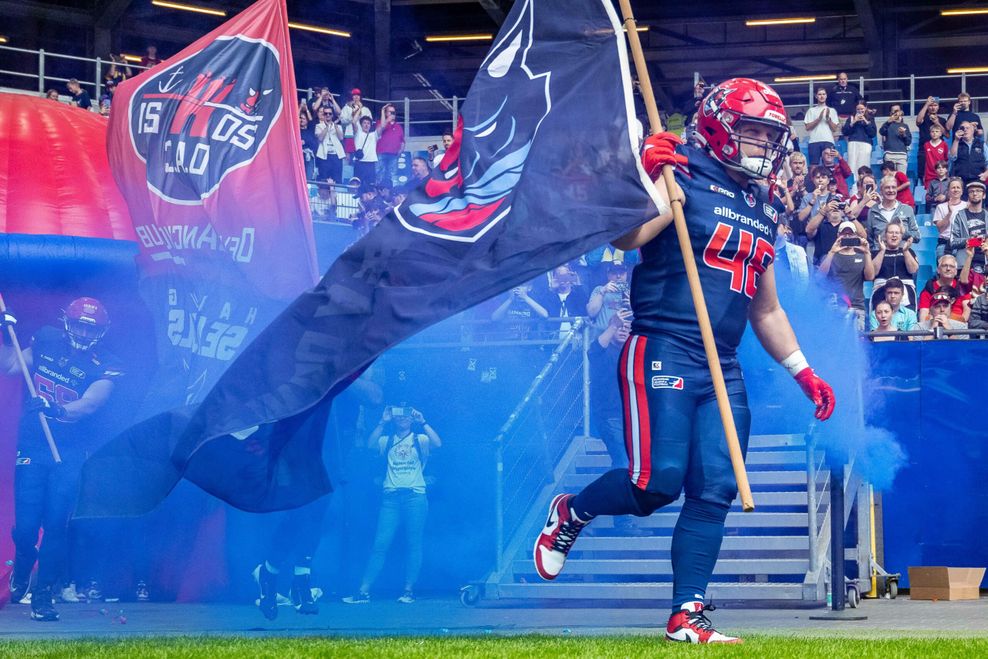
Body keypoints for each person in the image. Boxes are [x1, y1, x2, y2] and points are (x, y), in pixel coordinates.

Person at [532, 78, 835, 644]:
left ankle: (686, 615)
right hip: (664, 345)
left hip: (722, 362)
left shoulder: (761, 206)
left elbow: (765, 310)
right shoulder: (681, 173)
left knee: (715, 487)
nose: (762, 144)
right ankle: (571, 512)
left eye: (771, 134)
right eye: (753, 130)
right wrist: (642, 177)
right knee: (655, 485)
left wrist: (804, 371)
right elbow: (627, 239)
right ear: (720, 125)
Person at [0, 298, 122, 622]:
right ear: (67, 322)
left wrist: (58, 410)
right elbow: (11, 365)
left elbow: (92, 403)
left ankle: (43, 597)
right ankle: (24, 558)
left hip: (68, 453)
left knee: (56, 525)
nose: (83, 331)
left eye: (90, 327)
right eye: (79, 324)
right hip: (32, 446)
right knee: (26, 527)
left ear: (101, 331)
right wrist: (1, 332)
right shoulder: (46, 339)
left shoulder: (106, 363)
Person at [343, 406, 441, 604]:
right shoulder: (386, 440)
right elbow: (369, 445)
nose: (402, 418)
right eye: (399, 414)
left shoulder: (419, 439)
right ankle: (363, 591)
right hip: (391, 498)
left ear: (411, 418)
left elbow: (438, 444)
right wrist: (383, 421)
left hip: (415, 496)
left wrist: (423, 420)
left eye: (406, 414)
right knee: (380, 544)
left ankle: (408, 590)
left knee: (414, 543)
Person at [819, 221, 875, 331]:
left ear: (856, 236)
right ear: (838, 236)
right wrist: (832, 252)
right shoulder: (830, 255)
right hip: (835, 306)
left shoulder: (862, 256)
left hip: (856, 306)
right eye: (844, 234)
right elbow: (821, 275)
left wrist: (867, 253)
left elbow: (870, 277)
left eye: (851, 234)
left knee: (857, 340)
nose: (847, 236)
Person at [866, 173, 920, 246]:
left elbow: (917, 236)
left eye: (894, 187)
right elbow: (869, 239)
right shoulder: (873, 211)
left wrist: (904, 232)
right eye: (887, 187)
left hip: (902, 254)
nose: (891, 190)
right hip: (879, 254)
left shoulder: (907, 209)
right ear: (881, 190)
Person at [949, 181, 987, 273]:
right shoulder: (959, 216)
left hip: (985, 262)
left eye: (978, 191)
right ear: (968, 196)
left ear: (984, 195)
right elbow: (953, 242)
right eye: (971, 191)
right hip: (964, 263)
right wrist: (972, 241)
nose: (975, 193)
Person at [918, 254, 968, 322]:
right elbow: (923, 317)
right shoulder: (929, 288)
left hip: (958, 328)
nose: (948, 269)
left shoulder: (962, 288)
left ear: (956, 271)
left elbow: (967, 312)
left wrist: (958, 326)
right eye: (944, 266)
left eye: (952, 266)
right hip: (934, 326)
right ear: (938, 270)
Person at [586, 261, 630, 336]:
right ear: (608, 276)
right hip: (600, 335)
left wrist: (633, 306)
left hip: (622, 337)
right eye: (614, 273)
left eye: (622, 273)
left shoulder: (633, 292)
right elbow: (591, 313)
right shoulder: (599, 289)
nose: (618, 276)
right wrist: (602, 292)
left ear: (626, 275)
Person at [841, 102, 876, 191]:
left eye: (862, 109)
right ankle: (852, 191)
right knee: (852, 166)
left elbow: (872, 133)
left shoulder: (870, 118)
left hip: (866, 144)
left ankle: (865, 189)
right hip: (853, 143)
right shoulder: (851, 118)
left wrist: (866, 122)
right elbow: (845, 131)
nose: (860, 111)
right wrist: (853, 122)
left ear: (866, 108)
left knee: (864, 167)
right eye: (858, 109)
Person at [804, 87, 840, 165]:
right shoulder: (811, 110)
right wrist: (819, 119)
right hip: (814, 141)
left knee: (829, 164)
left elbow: (834, 129)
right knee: (814, 166)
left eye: (823, 94)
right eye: (819, 94)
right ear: (816, 96)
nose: (822, 96)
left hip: (828, 140)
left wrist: (828, 119)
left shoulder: (832, 110)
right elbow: (807, 127)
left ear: (826, 96)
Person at [933, 177, 966, 260]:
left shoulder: (967, 206)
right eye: (953, 187)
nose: (955, 190)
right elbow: (940, 229)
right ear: (948, 191)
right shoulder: (940, 207)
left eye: (958, 187)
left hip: (962, 245)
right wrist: (949, 213)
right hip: (944, 244)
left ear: (962, 191)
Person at [916, 96, 946, 187]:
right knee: (923, 175)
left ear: (938, 107)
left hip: (938, 150)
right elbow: (918, 121)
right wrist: (926, 104)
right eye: (931, 105)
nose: (933, 107)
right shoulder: (924, 117)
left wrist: (937, 123)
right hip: (924, 150)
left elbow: (946, 134)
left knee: (940, 173)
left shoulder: (942, 120)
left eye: (935, 105)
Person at [949, 121, 988, 188]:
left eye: (968, 128)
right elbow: (952, 157)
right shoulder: (957, 143)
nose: (965, 130)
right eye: (963, 128)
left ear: (973, 130)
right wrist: (956, 140)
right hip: (960, 181)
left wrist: (986, 174)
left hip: (978, 179)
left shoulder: (981, 144)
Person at [376, 104, 405, 187]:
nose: (393, 114)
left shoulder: (399, 126)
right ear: (386, 113)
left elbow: (402, 141)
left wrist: (400, 152)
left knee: (392, 176)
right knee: (379, 175)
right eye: (390, 112)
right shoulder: (380, 123)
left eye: (394, 112)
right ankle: (379, 193)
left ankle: (392, 194)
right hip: (381, 154)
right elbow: (379, 131)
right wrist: (386, 120)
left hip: (394, 155)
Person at [879, 105, 911, 174]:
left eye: (898, 111)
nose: (896, 113)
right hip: (889, 155)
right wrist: (888, 122)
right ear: (891, 113)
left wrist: (903, 134)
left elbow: (908, 142)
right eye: (894, 111)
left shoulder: (905, 126)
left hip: (902, 155)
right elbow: (881, 132)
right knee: (889, 179)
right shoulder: (887, 124)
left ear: (901, 112)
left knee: (901, 178)